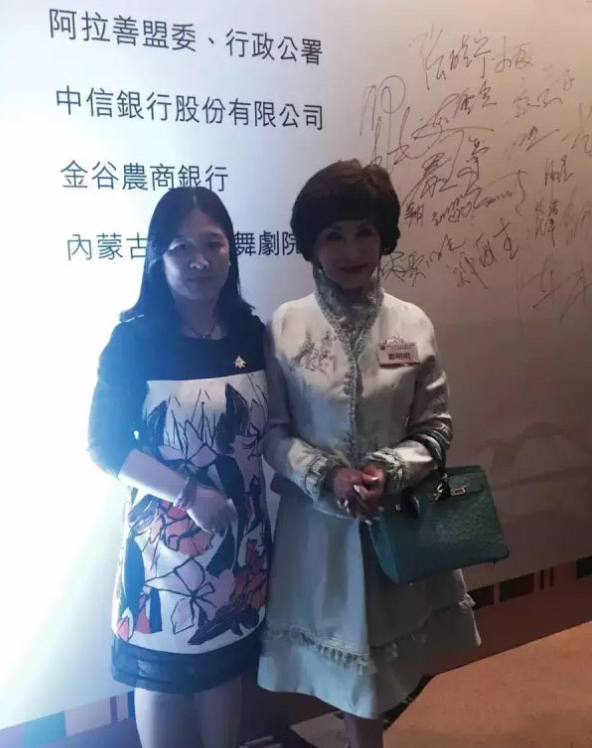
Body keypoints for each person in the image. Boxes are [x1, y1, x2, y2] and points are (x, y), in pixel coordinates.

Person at [257, 160, 480, 748]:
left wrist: (388, 470)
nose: (351, 250)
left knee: (379, 679)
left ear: (385, 236)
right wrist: (327, 475)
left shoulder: (412, 322)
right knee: (351, 680)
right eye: (333, 235)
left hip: (397, 526)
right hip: (319, 536)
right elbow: (274, 434)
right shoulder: (286, 325)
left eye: (364, 232)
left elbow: (435, 428)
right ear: (312, 245)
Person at [88, 187, 271, 748]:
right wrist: (190, 495)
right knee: (163, 677)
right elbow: (105, 445)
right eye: (180, 247)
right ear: (157, 257)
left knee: (224, 668)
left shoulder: (251, 332)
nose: (199, 260)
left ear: (231, 251)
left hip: (240, 540)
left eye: (213, 244)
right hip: (164, 547)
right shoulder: (134, 340)